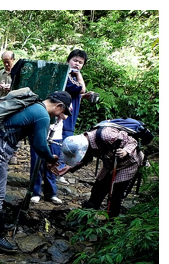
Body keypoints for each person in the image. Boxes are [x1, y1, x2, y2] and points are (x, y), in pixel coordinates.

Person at [0, 91, 72, 252]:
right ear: (59, 106)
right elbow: (41, 145)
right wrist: (51, 158)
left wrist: (48, 158)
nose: (61, 116)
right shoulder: (42, 115)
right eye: (62, 112)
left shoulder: (34, 107)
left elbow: (35, 143)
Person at [54, 125, 145, 218]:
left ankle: (112, 221)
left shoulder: (106, 135)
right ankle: (87, 216)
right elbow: (86, 157)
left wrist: (125, 151)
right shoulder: (87, 141)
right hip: (110, 163)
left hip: (129, 163)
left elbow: (133, 141)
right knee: (98, 188)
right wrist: (70, 167)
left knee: (116, 193)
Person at [59, 49, 97, 184]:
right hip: (62, 116)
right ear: (68, 60)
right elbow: (81, 89)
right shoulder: (66, 75)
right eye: (75, 60)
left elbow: (78, 93)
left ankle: (60, 170)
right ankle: (57, 171)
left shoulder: (73, 77)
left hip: (71, 115)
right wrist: (80, 77)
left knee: (65, 142)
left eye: (80, 63)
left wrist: (83, 96)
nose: (77, 64)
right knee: (60, 142)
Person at [29, 117, 64, 204]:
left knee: (53, 164)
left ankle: (51, 193)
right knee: (36, 164)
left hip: (55, 136)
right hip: (39, 134)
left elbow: (65, 116)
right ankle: (35, 192)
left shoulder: (66, 103)